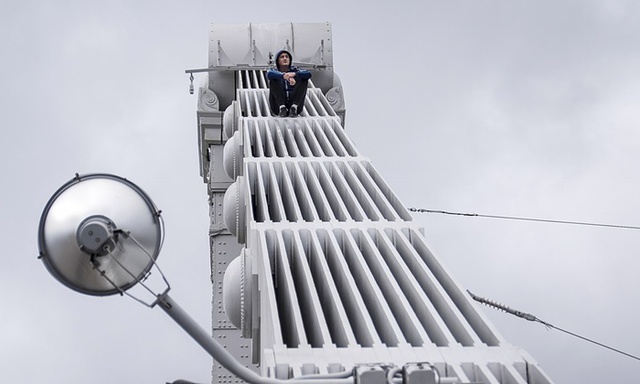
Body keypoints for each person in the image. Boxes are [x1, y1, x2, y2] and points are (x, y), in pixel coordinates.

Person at [267, 50, 312, 117]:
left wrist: (294, 74)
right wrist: (284, 76)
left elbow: (308, 74)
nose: (285, 58)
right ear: (278, 61)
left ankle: (294, 107)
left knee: (303, 78)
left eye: (287, 57)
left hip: (295, 106)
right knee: (273, 79)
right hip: (277, 107)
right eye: (282, 57)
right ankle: (282, 107)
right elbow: (269, 74)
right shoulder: (274, 71)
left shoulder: (296, 70)